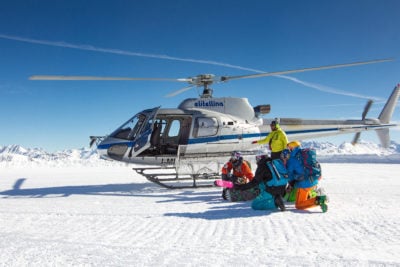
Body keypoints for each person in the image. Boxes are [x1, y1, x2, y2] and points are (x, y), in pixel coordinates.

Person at [283, 141, 328, 212]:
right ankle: (319, 194)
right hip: (314, 180)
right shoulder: (305, 154)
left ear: (292, 148)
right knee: (306, 196)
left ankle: (319, 200)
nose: (289, 149)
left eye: (289, 148)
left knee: (299, 205)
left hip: (305, 184)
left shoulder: (292, 159)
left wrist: (291, 183)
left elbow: (290, 174)